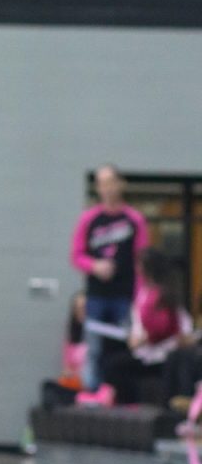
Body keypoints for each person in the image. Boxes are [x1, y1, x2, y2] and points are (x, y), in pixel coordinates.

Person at [78, 248, 192, 406]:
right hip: (145, 350)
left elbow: (169, 327)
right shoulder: (145, 292)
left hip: (160, 354)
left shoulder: (163, 294)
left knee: (116, 365)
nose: (136, 268)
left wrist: (146, 338)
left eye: (139, 264)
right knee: (112, 361)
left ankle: (128, 403)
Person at [70, 164, 148, 390]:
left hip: (124, 295)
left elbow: (142, 261)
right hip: (97, 295)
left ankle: (121, 393)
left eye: (110, 182)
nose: (107, 189)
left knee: (124, 349)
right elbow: (76, 255)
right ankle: (91, 393)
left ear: (119, 184)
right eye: (102, 184)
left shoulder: (134, 220)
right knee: (93, 349)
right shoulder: (89, 220)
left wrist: (139, 297)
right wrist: (94, 265)